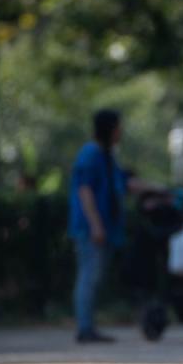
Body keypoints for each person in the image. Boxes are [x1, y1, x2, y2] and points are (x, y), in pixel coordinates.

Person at [68, 109, 148, 343]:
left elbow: (124, 183)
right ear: (109, 129)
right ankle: (84, 329)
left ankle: (88, 326)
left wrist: (158, 189)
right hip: (90, 229)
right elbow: (84, 191)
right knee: (88, 277)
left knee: (94, 277)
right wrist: (95, 225)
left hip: (105, 228)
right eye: (117, 127)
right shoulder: (90, 155)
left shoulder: (107, 156)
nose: (120, 132)